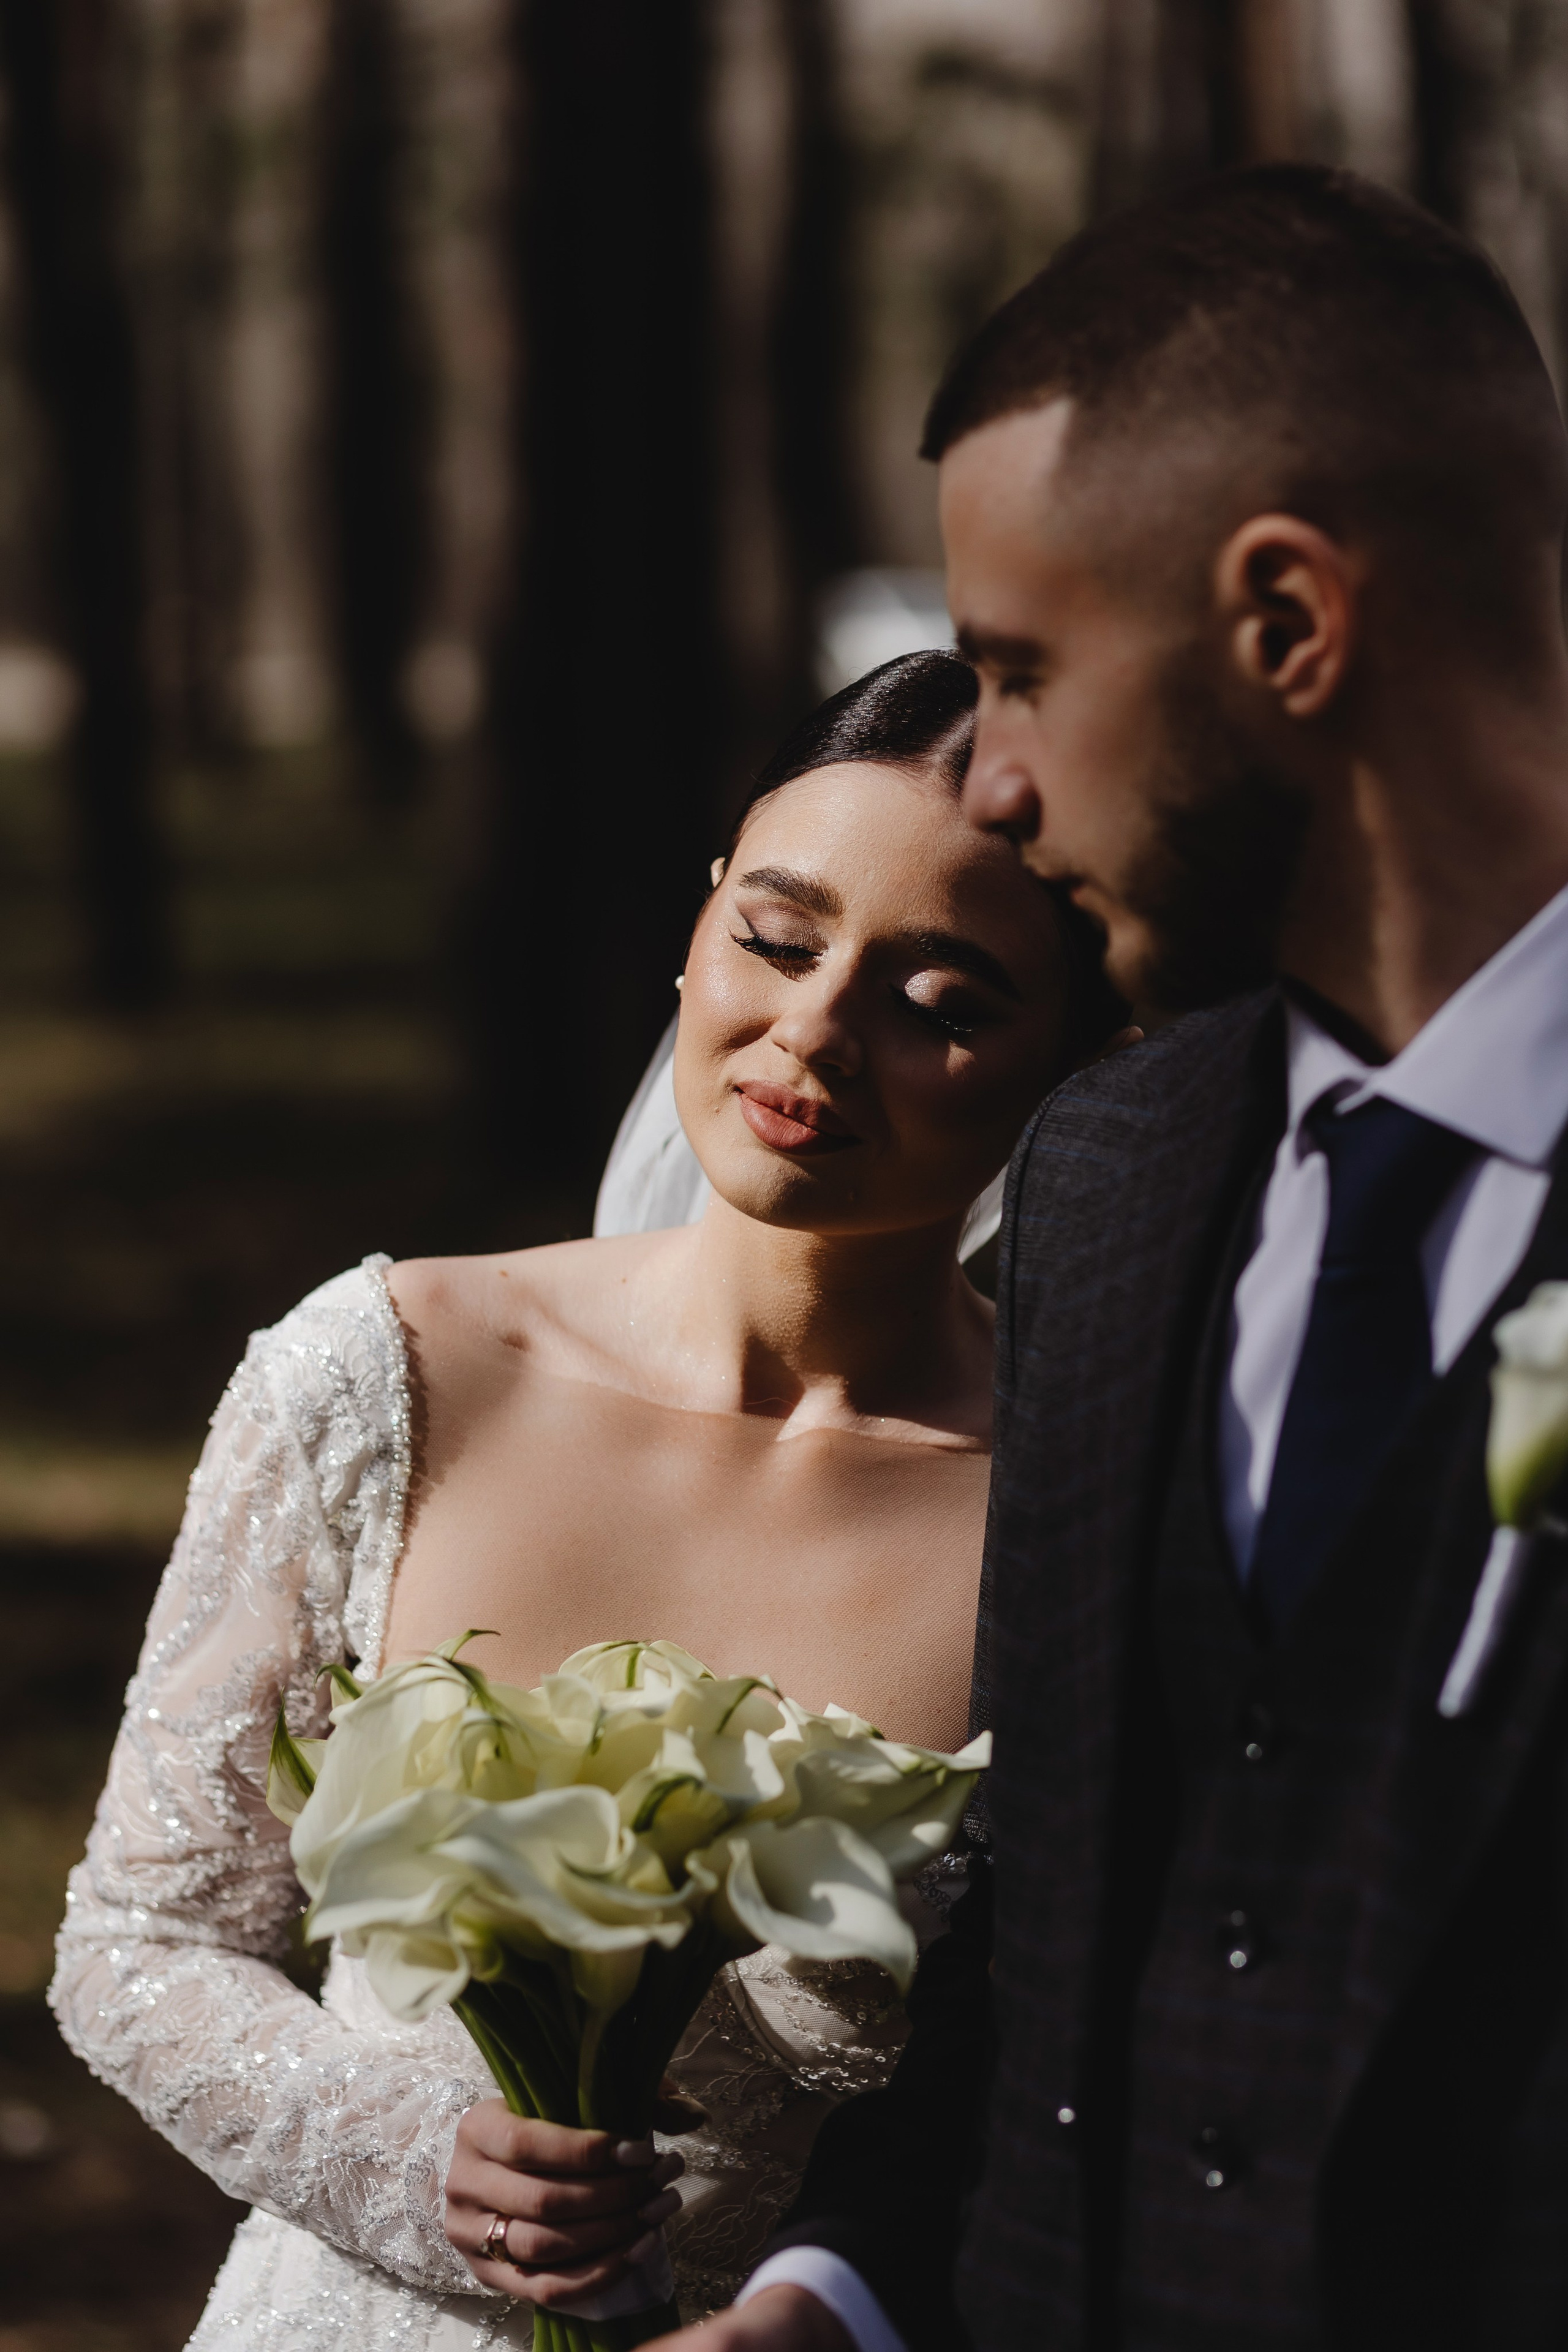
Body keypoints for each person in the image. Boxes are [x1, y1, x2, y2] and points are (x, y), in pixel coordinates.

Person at [658, 162, 1568, 2352]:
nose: (981, 789)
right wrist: (830, 2296)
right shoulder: (1114, 1177)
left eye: (1020, 672)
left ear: (1289, 626)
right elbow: (1069, 1913)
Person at [48, 649, 1127, 2351]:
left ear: (1079, 1047)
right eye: (777, 939)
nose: (816, 1034)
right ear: (702, 925)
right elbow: (135, 1942)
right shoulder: (389, 1372)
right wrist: (430, 2164)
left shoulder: (1084, 1506)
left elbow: (1059, 2084)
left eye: (942, 1002)